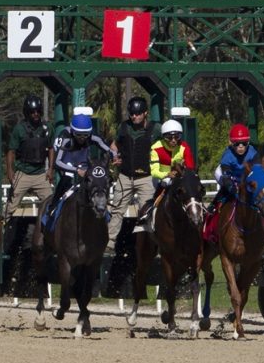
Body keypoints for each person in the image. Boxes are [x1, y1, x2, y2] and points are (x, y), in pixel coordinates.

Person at [107, 97, 159, 253]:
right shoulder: (123, 127)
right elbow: (114, 145)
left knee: (148, 212)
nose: (134, 117)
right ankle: (109, 242)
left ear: (145, 113)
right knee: (117, 209)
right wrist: (114, 156)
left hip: (146, 178)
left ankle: (151, 243)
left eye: (138, 114)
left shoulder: (156, 129)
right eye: (132, 114)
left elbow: (168, 143)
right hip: (125, 176)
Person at [47, 114, 116, 221]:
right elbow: (57, 162)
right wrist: (76, 170)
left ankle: (102, 210)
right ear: (73, 132)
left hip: (84, 165)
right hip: (68, 164)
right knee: (67, 177)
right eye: (79, 135)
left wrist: (114, 156)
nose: (83, 139)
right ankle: (53, 207)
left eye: (86, 135)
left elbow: (108, 150)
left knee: (96, 179)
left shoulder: (93, 136)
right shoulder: (65, 136)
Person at [4, 95, 53, 222]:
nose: (35, 114)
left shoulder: (47, 128)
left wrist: (51, 169)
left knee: (51, 204)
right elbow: (11, 151)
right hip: (23, 173)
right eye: (32, 112)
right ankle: (3, 229)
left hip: (41, 174)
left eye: (37, 111)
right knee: (10, 207)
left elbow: (51, 148)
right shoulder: (19, 129)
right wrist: (10, 170)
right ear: (27, 113)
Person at [138, 119, 195, 221]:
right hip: (160, 177)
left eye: (177, 137)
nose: (173, 140)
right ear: (164, 137)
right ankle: (148, 212)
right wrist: (167, 174)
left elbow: (190, 167)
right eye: (169, 137)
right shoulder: (155, 148)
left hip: (179, 177)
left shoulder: (184, 147)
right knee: (166, 182)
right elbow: (154, 171)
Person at [211, 123, 259, 209]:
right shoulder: (227, 156)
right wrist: (231, 187)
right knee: (226, 189)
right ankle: (213, 206)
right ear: (232, 143)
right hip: (229, 175)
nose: (241, 147)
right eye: (237, 144)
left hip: (245, 176)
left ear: (248, 142)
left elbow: (256, 172)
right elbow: (226, 177)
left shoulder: (253, 153)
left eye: (244, 143)